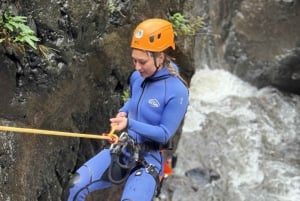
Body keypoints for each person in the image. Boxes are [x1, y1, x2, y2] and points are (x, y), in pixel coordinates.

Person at [63, 18, 189, 201]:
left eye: (142, 62)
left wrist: (130, 123)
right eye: (134, 60)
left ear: (160, 57)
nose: (137, 67)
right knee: (75, 187)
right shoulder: (138, 77)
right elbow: (134, 100)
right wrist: (123, 111)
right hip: (124, 149)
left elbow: (164, 133)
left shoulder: (177, 91)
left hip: (149, 159)